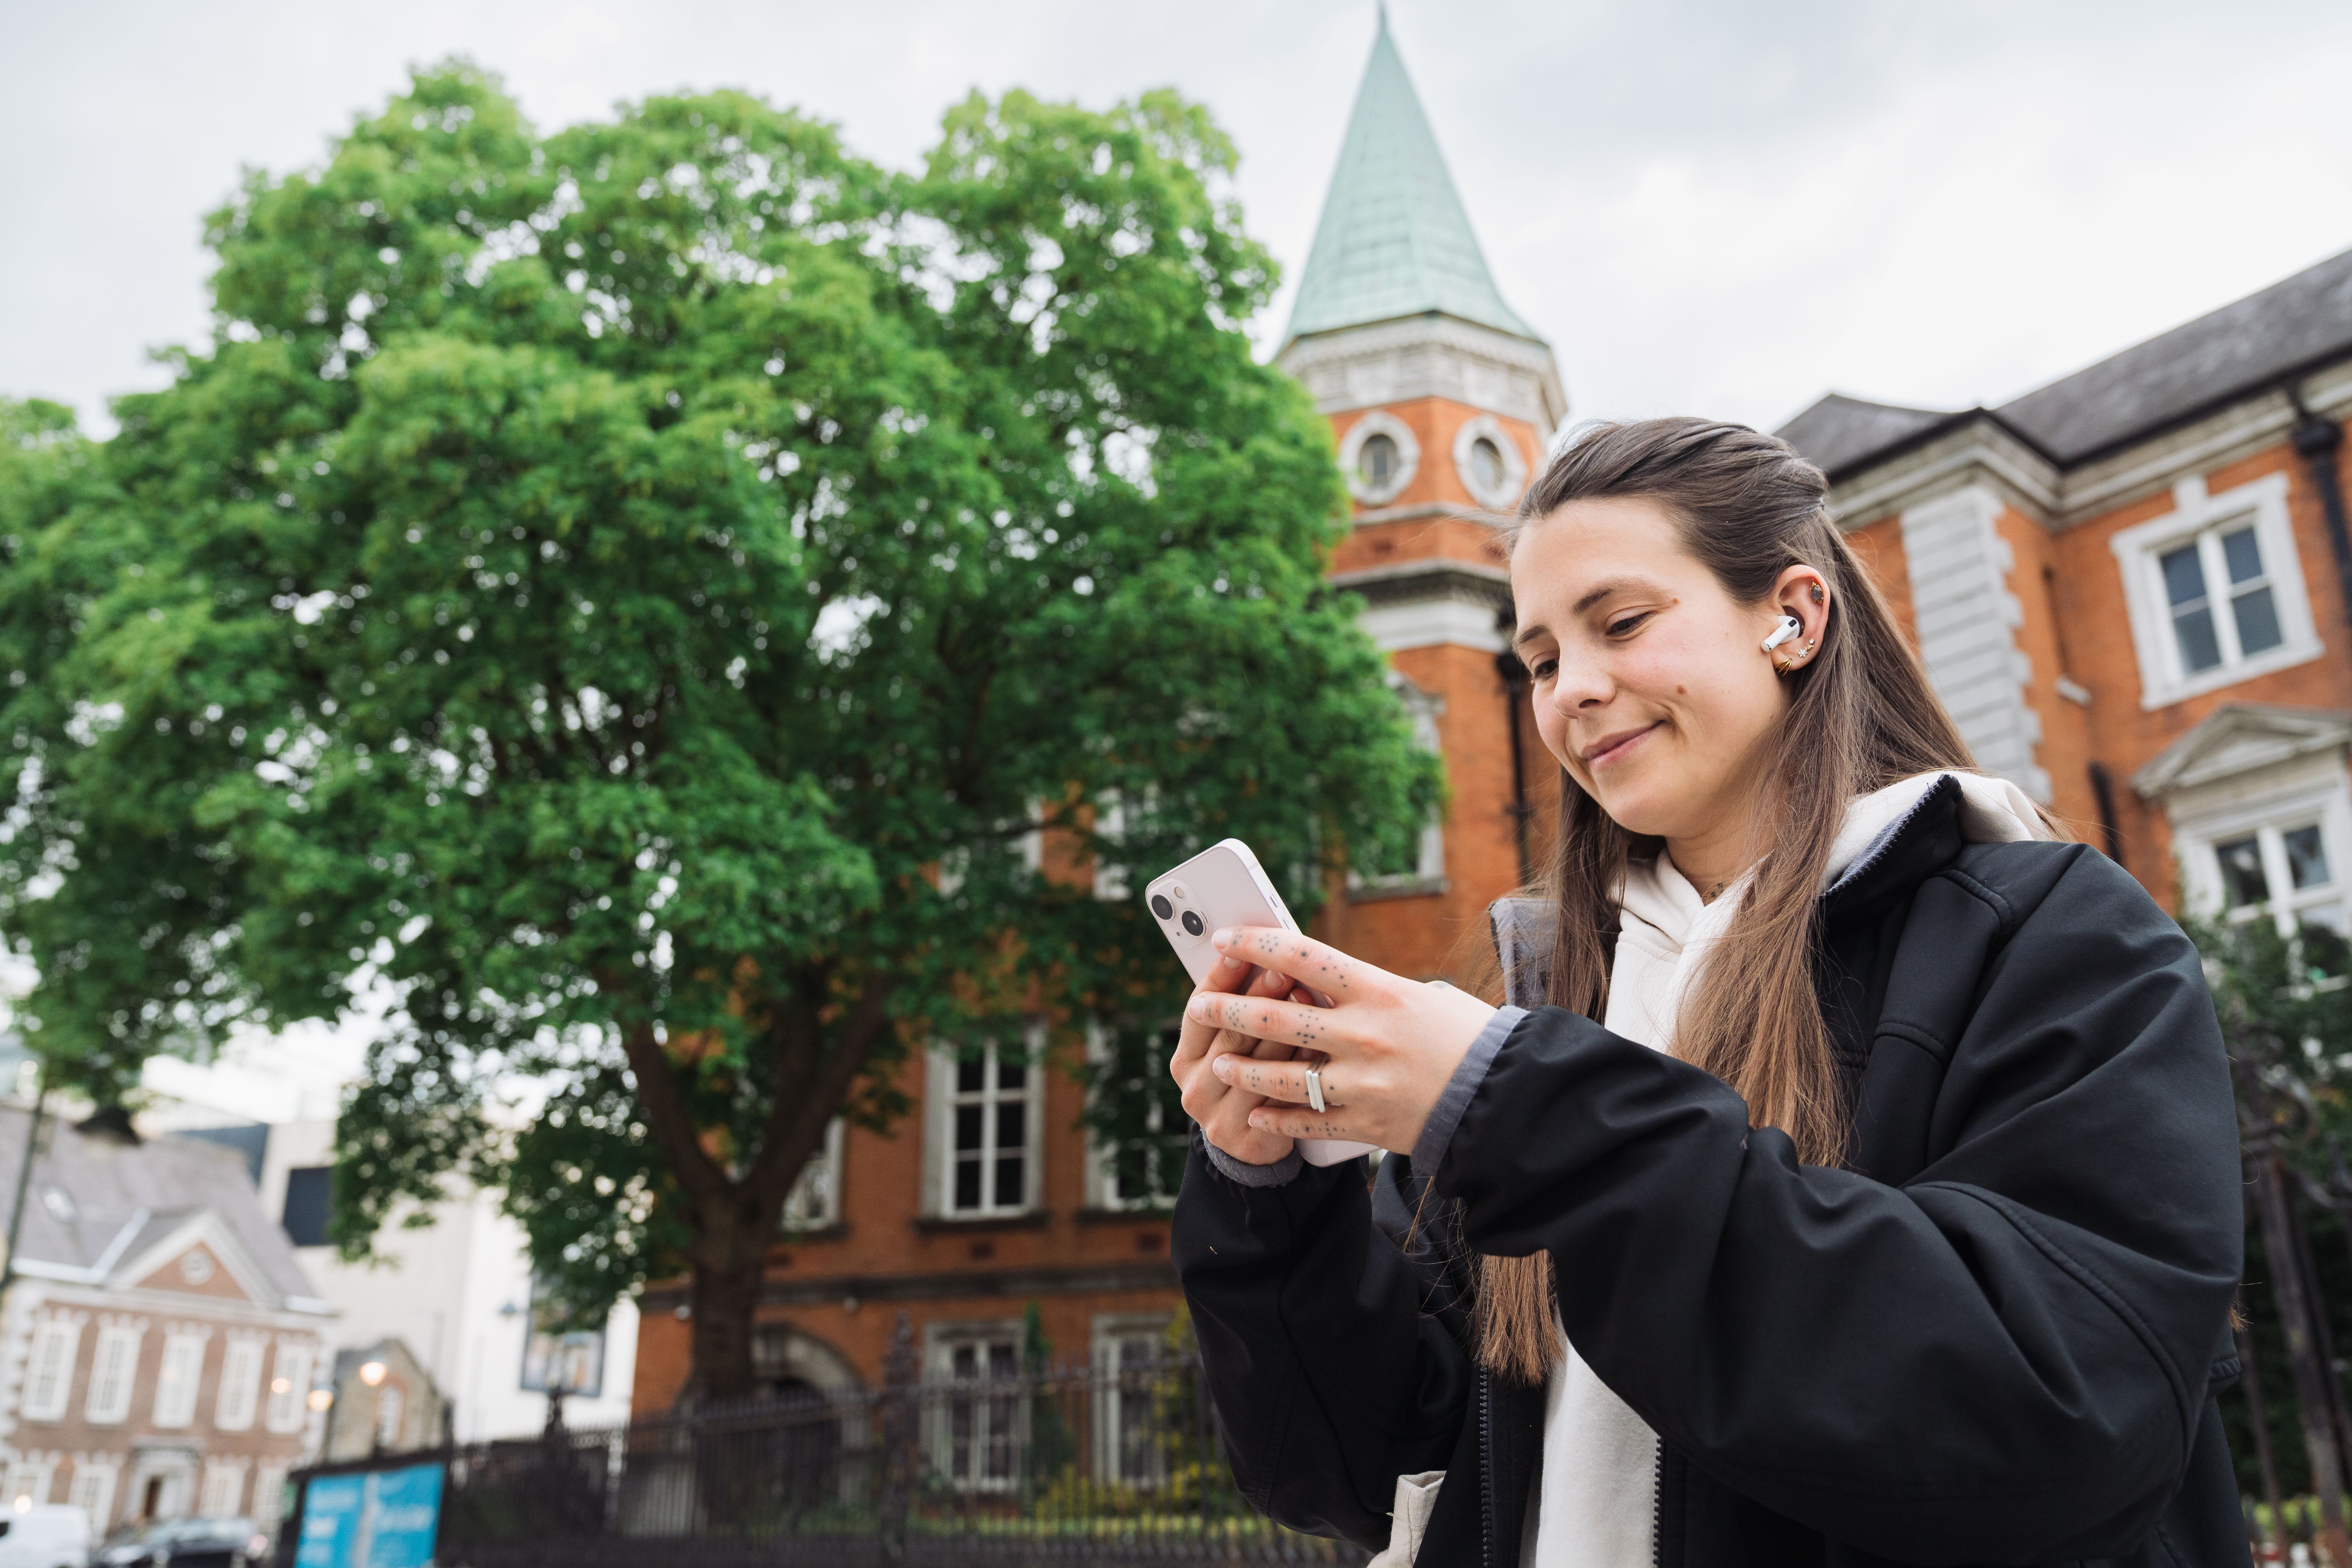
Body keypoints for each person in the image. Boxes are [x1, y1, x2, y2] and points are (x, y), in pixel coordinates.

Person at [1169, 419, 2245, 1568]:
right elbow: (1359, 1472)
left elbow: (2059, 1419)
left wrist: (1523, 1110)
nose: (1574, 692)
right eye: (1541, 662)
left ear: (1794, 617)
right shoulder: (1540, 1001)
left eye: (1622, 623)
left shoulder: (2055, 935)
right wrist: (1271, 1196)